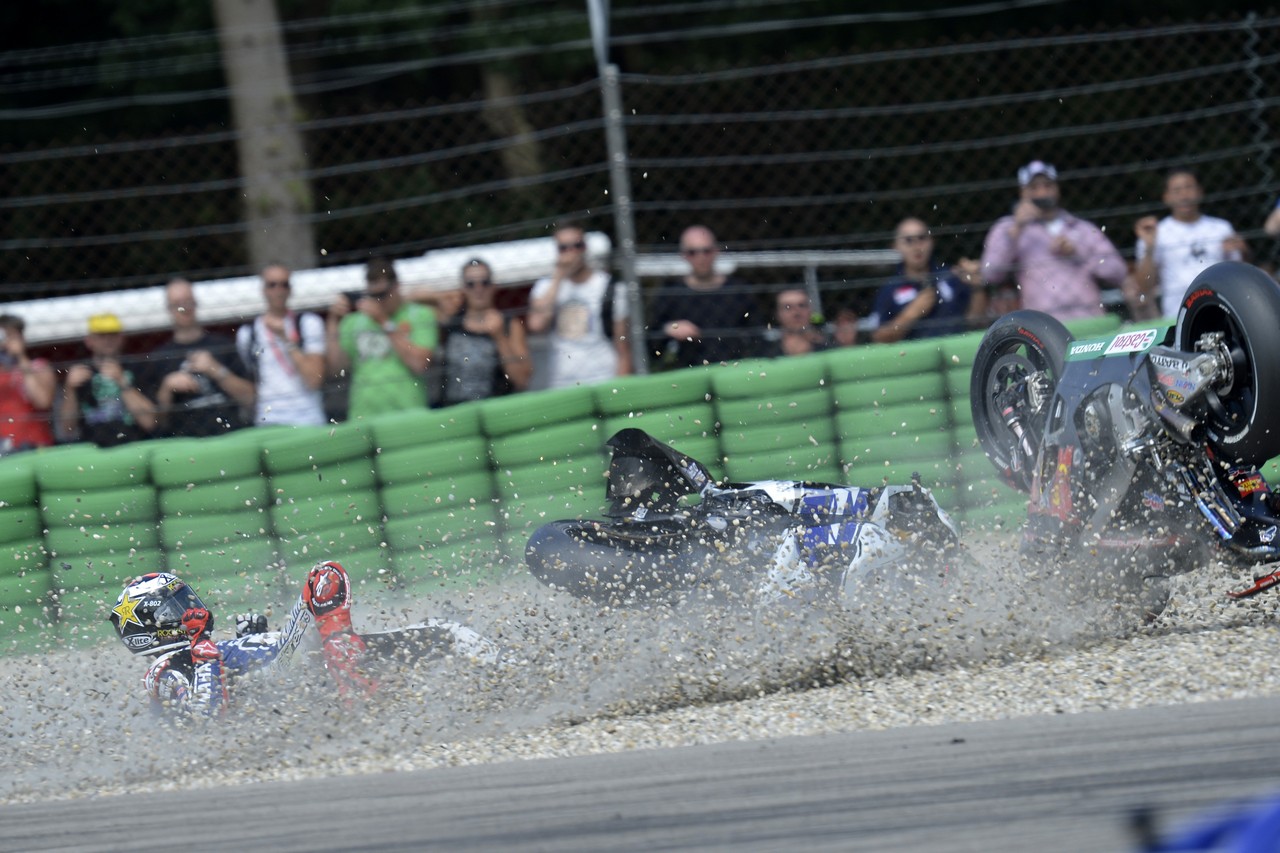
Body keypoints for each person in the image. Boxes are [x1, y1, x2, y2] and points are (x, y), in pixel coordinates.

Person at [108, 562, 498, 717]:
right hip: (282, 680)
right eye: (173, 607)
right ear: (150, 624)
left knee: (445, 631)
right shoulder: (163, 672)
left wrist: (250, 637)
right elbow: (205, 719)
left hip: (286, 668)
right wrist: (205, 652)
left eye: (184, 599)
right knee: (322, 578)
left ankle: (509, 671)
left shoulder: (193, 651)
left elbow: (232, 670)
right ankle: (349, 674)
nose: (188, 608)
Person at [980, 160, 1127, 321]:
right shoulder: (1007, 228)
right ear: (1022, 192)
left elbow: (1119, 272)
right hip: (1044, 327)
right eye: (1034, 187)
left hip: (1089, 318)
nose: (1042, 192)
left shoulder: (1081, 228)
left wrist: (1079, 252)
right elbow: (990, 274)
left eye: (1047, 185)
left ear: (1057, 189)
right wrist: (1016, 230)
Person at [326, 257, 438, 419]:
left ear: (397, 287)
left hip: (408, 414)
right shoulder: (355, 321)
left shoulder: (419, 315)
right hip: (364, 416)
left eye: (383, 294)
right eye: (373, 295)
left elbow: (420, 364)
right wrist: (333, 322)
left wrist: (384, 322)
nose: (378, 301)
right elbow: (336, 369)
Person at [143, 278, 253, 437]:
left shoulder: (222, 345)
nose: (183, 307)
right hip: (186, 444)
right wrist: (167, 388)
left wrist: (217, 370)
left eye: (188, 301)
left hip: (231, 435)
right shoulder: (159, 358)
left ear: (195, 303)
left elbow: (250, 398)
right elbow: (154, 423)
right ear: (168, 308)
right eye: (177, 303)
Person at [526, 222, 631, 388]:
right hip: (562, 380)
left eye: (577, 246)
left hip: (603, 375)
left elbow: (622, 345)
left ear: (585, 248)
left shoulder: (609, 286)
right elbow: (536, 324)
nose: (571, 252)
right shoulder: (546, 287)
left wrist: (621, 385)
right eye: (564, 248)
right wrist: (559, 276)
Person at [1133, 169, 1248, 319]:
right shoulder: (1155, 233)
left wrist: (1244, 251)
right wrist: (1149, 248)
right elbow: (1144, 287)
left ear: (1200, 192)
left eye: (1189, 187)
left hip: (1224, 308)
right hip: (1177, 314)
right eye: (1177, 190)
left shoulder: (1221, 228)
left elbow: (1240, 274)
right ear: (1166, 197)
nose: (1184, 195)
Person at [649, 225, 762, 368]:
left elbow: (758, 337)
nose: (701, 258)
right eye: (692, 252)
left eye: (706, 251)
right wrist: (668, 329)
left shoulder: (739, 292)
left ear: (716, 251)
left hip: (734, 368)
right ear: (684, 255)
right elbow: (650, 347)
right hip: (689, 372)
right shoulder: (671, 294)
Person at [236, 264, 327, 426]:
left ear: (290, 289)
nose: (279, 290)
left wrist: (285, 339)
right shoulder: (247, 334)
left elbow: (314, 379)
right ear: (263, 290)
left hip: (308, 417)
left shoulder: (308, 323)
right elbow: (251, 378)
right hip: (269, 418)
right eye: (272, 285)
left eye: (284, 284)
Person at [868, 218, 985, 343]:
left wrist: (977, 287)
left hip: (955, 351)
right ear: (895, 247)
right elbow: (878, 337)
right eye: (908, 240)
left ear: (932, 241)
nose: (916, 246)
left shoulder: (951, 276)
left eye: (922, 238)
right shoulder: (889, 289)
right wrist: (911, 314)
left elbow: (975, 322)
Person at [437, 258, 532, 405]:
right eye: (471, 284)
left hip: (495, 409)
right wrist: (441, 297)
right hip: (455, 411)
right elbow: (411, 297)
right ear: (463, 289)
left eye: (484, 282)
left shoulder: (508, 325)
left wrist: (500, 338)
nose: (478, 289)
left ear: (493, 286)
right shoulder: (451, 323)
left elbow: (521, 379)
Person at [58, 313, 156, 446]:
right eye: (102, 335)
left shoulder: (137, 368)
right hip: (93, 447)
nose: (108, 340)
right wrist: (69, 389)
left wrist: (122, 381)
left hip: (133, 443)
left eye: (113, 335)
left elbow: (150, 422)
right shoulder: (80, 374)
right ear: (89, 341)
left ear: (121, 338)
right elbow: (67, 429)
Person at [0, 314, 55, 454]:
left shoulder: (38, 367)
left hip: (36, 445)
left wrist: (20, 357)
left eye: (12, 337)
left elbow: (42, 401)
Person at [761, 289, 830, 357]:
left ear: (811, 311)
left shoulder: (828, 346)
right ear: (778, 314)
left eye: (802, 305)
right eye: (788, 307)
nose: (796, 313)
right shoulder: (765, 351)